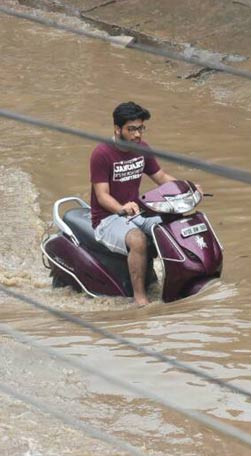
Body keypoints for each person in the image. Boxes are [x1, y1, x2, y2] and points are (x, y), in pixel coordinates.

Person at [90, 101, 192, 306]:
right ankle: (140, 298)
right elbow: (102, 195)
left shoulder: (142, 149)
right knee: (138, 240)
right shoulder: (101, 153)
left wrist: (187, 188)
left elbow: (161, 177)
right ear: (117, 129)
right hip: (108, 218)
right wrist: (121, 208)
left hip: (136, 213)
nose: (137, 135)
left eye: (140, 128)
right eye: (132, 129)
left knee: (172, 223)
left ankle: (180, 280)